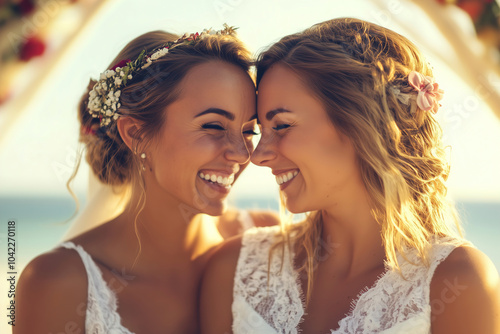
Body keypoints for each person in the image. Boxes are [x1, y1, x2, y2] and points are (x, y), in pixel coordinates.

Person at [201, 18, 500, 334]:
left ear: (361, 123)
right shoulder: (234, 270)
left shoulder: (456, 282)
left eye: (282, 126)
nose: (258, 155)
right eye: (262, 131)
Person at [15, 26, 277, 334]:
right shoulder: (59, 282)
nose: (241, 153)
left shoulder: (266, 239)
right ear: (136, 134)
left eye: (248, 131)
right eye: (214, 126)